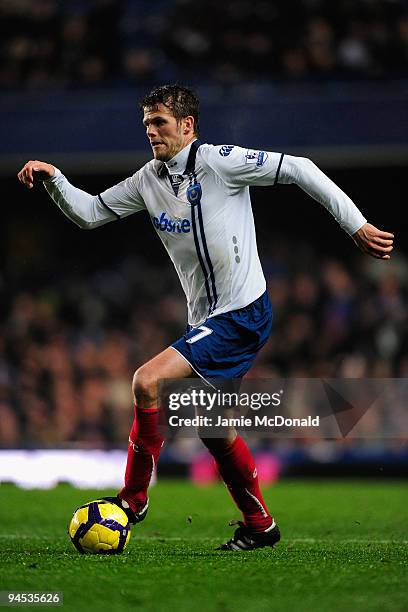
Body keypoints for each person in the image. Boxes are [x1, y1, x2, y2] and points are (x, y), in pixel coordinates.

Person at [18, 84, 394, 551]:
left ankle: (132, 501)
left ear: (187, 126)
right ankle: (261, 525)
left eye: (160, 123)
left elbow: (300, 168)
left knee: (146, 381)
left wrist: (355, 224)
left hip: (241, 312)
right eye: (147, 125)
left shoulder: (219, 161)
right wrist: (55, 179)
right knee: (214, 427)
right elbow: (90, 214)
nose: (151, 132)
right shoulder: (148, 180)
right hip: (208, 318)